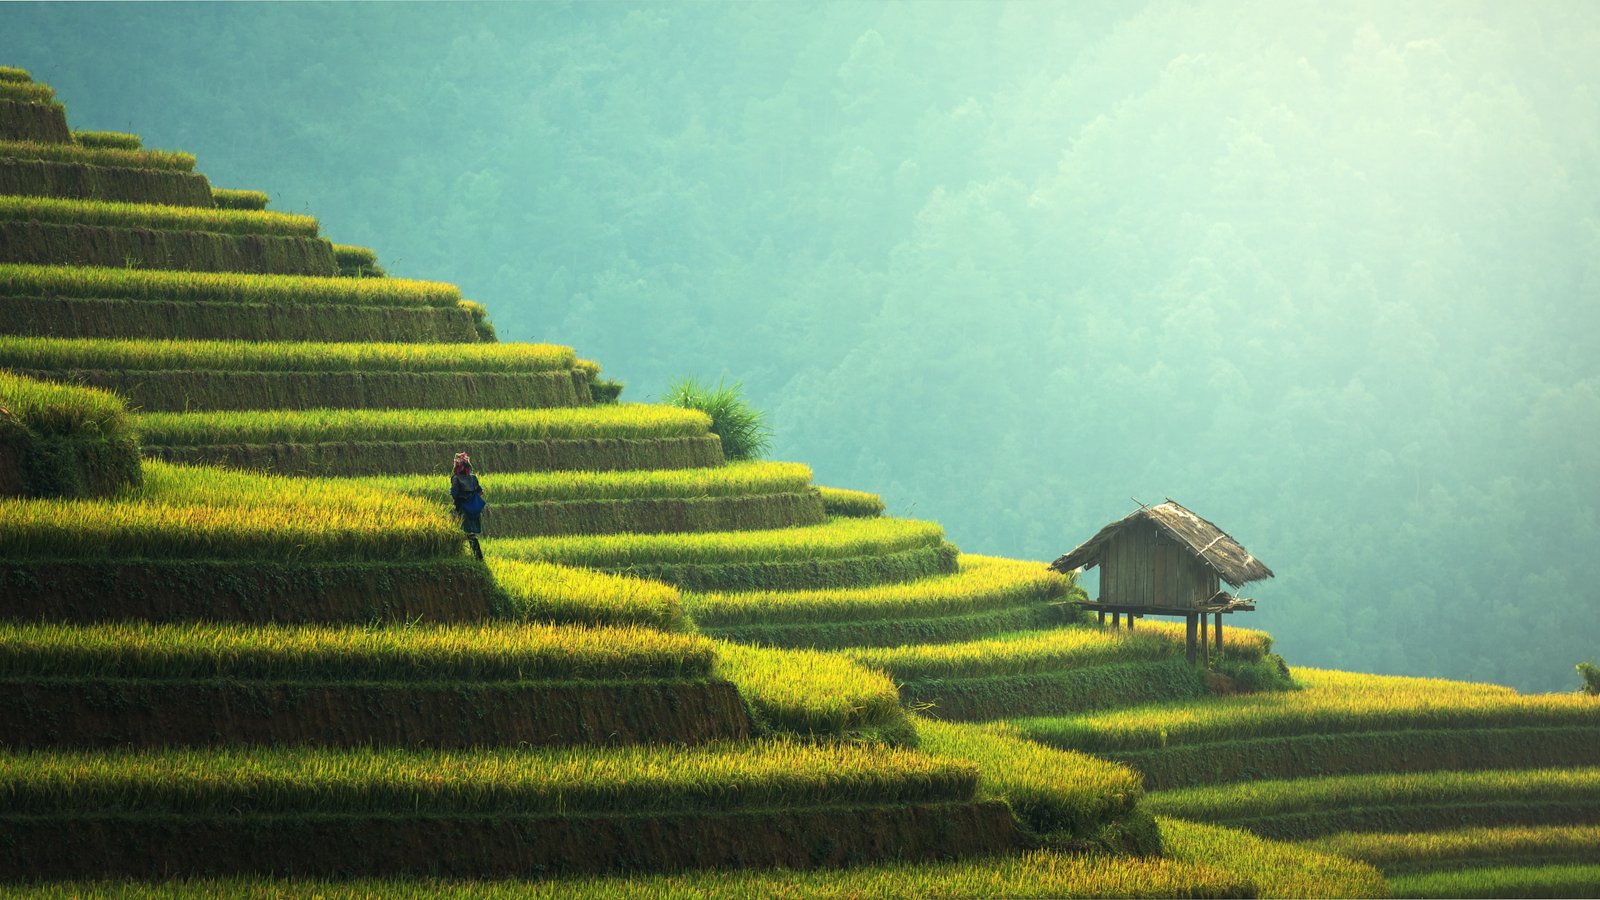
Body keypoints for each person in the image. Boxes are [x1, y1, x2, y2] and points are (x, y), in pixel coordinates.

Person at [450, 451, 485, 560]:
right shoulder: (473, 478)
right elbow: (481, 491)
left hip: (463, 509)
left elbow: (454, 494)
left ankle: (466, 556)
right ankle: (477, 557)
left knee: (464, 532)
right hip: (474, 508)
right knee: (471, 533)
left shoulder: (455, 478)